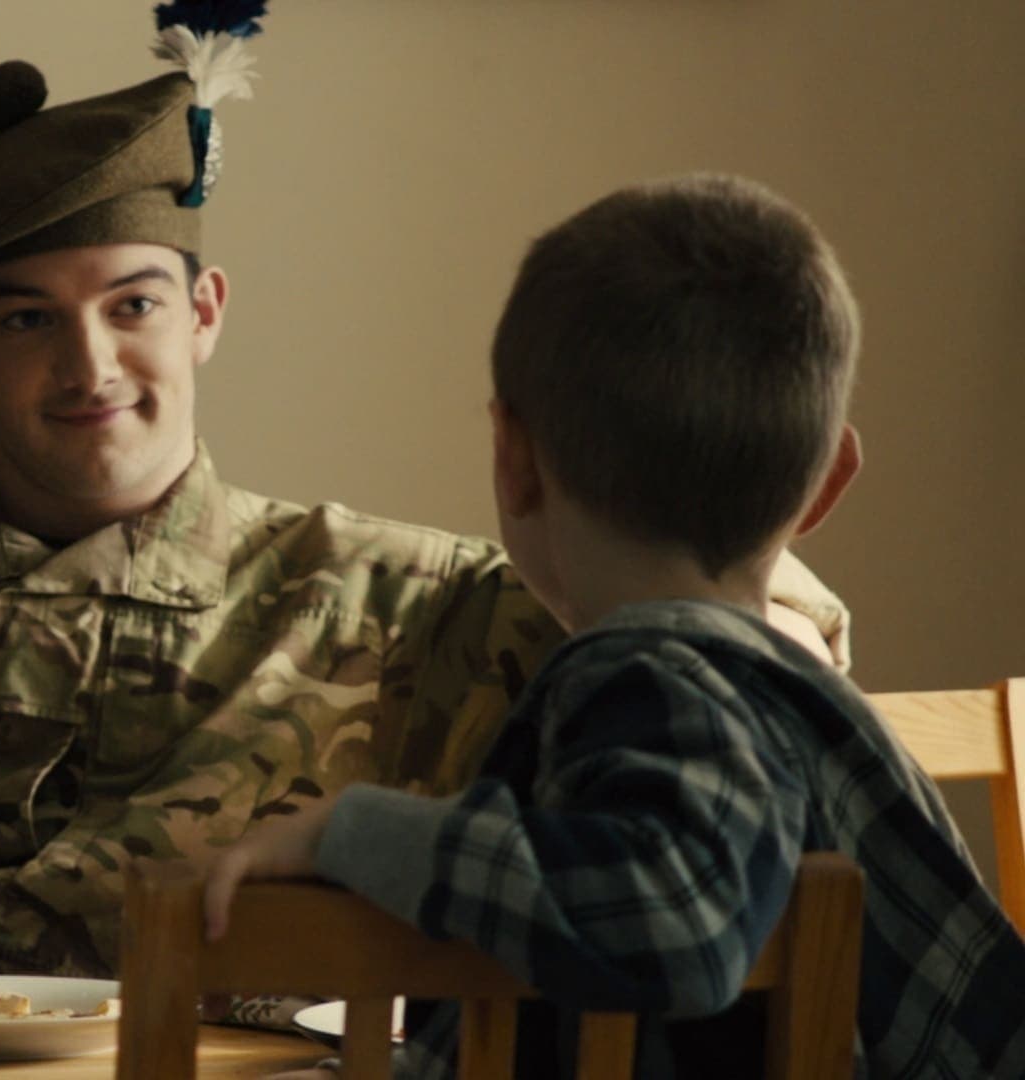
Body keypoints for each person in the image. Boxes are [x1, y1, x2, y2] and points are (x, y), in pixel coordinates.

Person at [0, 33, 851, 1019]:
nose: (89, 365)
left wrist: (764, 606)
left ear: (205, 312)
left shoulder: (404, 601)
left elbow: (725, 616)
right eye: (28, 319)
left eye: (133, 306)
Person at [205, 174, 1025, 1076]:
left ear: (513, 460)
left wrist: (353, 833)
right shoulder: (798, 705)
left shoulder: (655, 674)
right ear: (827, 483)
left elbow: (675, 926)